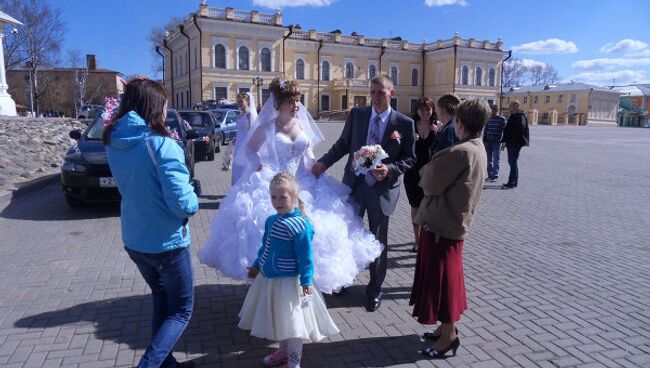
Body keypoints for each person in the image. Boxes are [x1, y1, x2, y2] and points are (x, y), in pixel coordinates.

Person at [199, 77, 382, 295]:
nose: (297, 105)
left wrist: (317, 167)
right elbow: (247, 150)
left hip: (303, 181)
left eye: (298, 100)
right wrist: (259, 166)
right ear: (279, 103)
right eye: (292, 101)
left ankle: (300, 284)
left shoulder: (301, 124)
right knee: (265, 230)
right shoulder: (267, 126)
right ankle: (272, 285)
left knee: (314, 230)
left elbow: (307, 154)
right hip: (276, 181)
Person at [103, 78, 198, 368]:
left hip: (136, 238)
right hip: (167, 243)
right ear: (154, 106)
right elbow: (182, 203)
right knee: (181, 310)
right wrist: (195, 197)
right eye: (165, 104)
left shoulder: (115, 142)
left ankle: (165, 362)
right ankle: (151, 364)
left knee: (162, 299)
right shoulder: (162, 146)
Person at [312, 75, 416, 312]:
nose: (376, 97)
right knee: (347, 235)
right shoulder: (358, 116)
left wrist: (388, 169)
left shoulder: (403, 123)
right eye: (373, 92)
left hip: (381, 191)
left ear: (392, 93)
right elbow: (342, 144)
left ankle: (375, 289)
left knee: (378, 240)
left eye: (381, 92)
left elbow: (410, 158)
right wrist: (323, 163)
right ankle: (343, 279)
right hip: (355, 186)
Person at [410, 99, 489, 359]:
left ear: (459, 122)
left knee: (443, 284)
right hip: (453, 225)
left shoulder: (460, 152)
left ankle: (449, 336)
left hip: (442, 227)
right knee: (444, 281)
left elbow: (428, 183)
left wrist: (427, 168)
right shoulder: (478, 148)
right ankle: (445, 330)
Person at [239, 172, 339, 368]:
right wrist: (257, 266)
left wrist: (306, 281)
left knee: (294, 325)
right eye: (273, 197)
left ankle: (294, 363)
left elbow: (305, 257)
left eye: (283, 197)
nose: (278, 202)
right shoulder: (271, 220)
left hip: (291, 283)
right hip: (270, 280)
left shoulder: (300, 225)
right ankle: (283, 353)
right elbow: (266, 248)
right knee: (282, 320)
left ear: (294, 197)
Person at [404, 97, 437, 253]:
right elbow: (401, 145)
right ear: (417, 110)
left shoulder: (437, 127)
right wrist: (410, 139)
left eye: (428, 109)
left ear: (432, 111)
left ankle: (427, 239)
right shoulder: (410, 126)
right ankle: (417, 241)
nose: (425, 112)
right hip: (412, 172)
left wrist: (439, 134)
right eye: (422, 109)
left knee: (429, 208)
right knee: (415, 207)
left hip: (431, 174)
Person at [229, 91, 258, 184]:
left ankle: (244, 185)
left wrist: (249, 119)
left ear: (247, 101)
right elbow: (240, 129)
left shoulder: (250, 114)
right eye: (238, 101)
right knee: (237, 164)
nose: (240, 103)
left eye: (241, 101)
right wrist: (236, 139)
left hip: (246, 142)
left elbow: (252, 130)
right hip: (239, 142)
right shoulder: (241, 114)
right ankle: (236, 185)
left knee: (244, 165)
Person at [501, 100, 530, 189]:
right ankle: (512, 181)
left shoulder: (520, 116)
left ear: (516, 106)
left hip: (515, 143)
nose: (509, 107)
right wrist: (506, 141)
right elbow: (509, 129)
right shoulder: (513, 115)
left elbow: (520, 130)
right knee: (511, 162)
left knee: (513, 162)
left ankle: (512, 182)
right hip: (511, 143)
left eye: (511, 105)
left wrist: (512, 141)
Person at [483, 104, 507, 181]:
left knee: (496, 159)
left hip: (497, 142)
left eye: (494, 110)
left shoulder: (502, 119)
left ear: (497, 110)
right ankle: (490, 175)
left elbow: (505, 131)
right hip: (488, 142)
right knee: (488, 159)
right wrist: (484, 140)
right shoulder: (488, 119)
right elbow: (486, 130)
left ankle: (495, 175)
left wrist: (504, 141)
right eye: (492, 109)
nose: (493, 111)